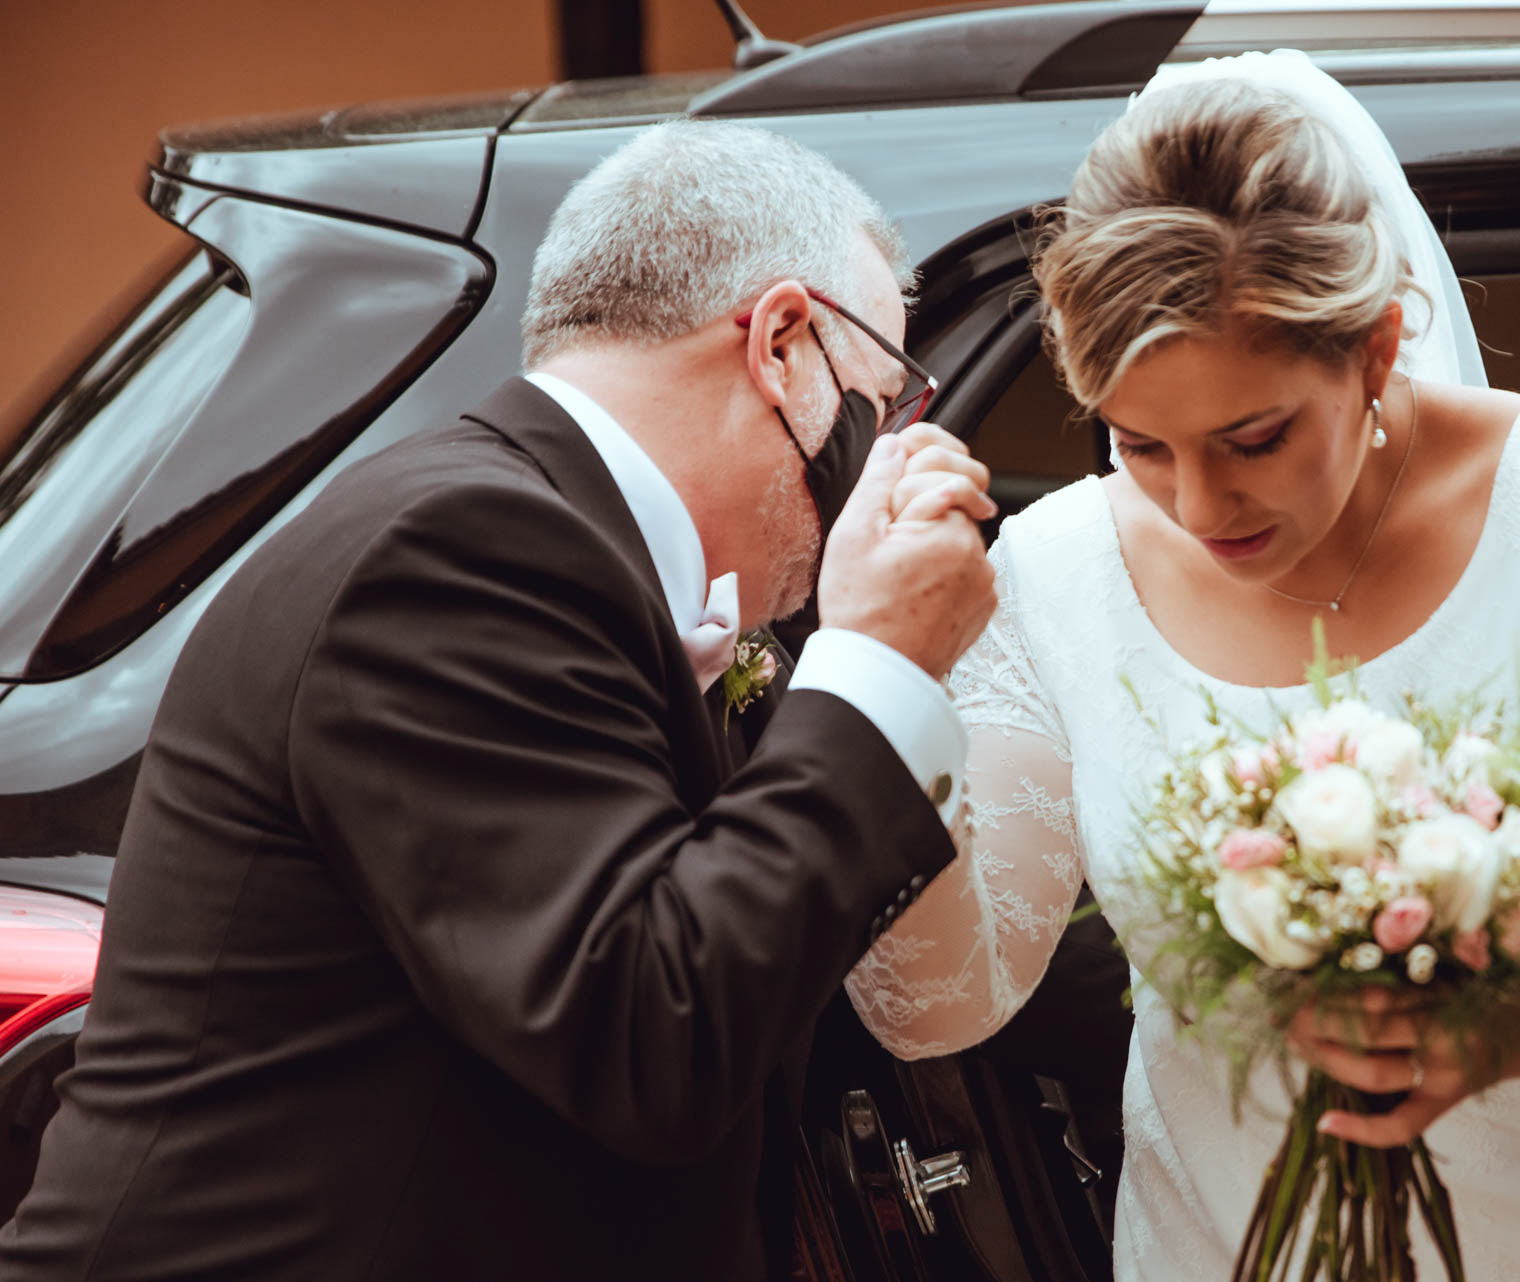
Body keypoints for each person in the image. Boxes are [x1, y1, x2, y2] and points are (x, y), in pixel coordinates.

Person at [0, 121, 998, 1281]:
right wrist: (877, 663)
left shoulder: (556, 551)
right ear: (779, 343)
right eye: (884, 400)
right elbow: (656, 1031)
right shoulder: (460, 548)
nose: (889, 453)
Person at [847, 52, 1520, 1281]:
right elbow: (939, 1007)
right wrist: (886, 675)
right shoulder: (1054, 573)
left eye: (1254, 437)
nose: (1198, 502)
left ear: (1379, 347)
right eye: (1141, 445)